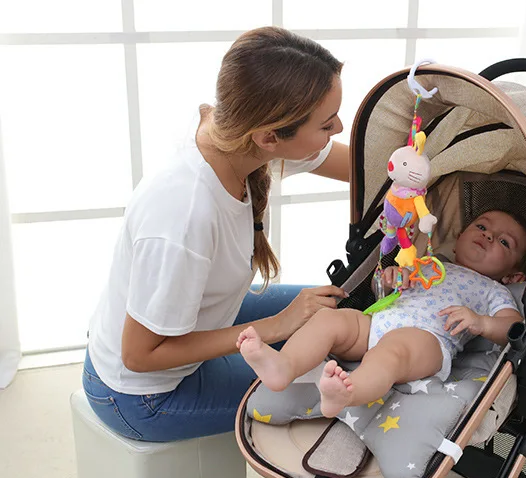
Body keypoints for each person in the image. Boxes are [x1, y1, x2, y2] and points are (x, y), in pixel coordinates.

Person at [82, 27, 351, 442]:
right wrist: (277, 326)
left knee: (340, 315)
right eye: (327, 124)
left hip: (201, 318)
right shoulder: (184, 213)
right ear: (269, 137)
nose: (340, 127)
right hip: (144, 394)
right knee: (348, 386)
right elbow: (138, 355)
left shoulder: (231, 131)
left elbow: (365, 167)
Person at [238, 209, 526, 418]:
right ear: (458, 238)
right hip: (378, 322)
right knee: (330, 319)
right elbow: (381, 291)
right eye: (481, 227)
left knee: (392, 351)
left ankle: (348, 392)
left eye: (504, 241)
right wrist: (390, 279)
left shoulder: (494, 289)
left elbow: (514, 327)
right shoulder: (428, 263)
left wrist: (481, 322)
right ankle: (284, 366)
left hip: (429, 341)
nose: (489, 236)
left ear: (514, 276)